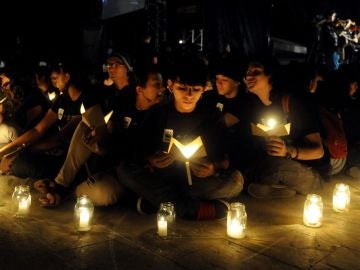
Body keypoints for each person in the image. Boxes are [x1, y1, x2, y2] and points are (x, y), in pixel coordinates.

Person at [116, 54, 244, 220]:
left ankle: (158, 204)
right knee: (124, 170)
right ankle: (192, 209)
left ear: (204, 88)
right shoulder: (157, 113)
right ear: (170, 85)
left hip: (194, 181)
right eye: (182, 88)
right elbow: (139, 149)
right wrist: (150, 160)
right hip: (163, 176)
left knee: (235, 181)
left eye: (196, 90)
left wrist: (214, 167)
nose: (189, 95)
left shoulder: (211, 116)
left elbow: (225, 156)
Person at [33, 65, 165, 207]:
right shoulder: (122, 106)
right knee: (87, 122)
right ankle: (61, 186)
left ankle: (66, 189)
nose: (162, 89)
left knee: (106, 191)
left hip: (132, 173)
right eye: (157, 85)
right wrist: (101, 144)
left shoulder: (162, 113)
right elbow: (114, 142)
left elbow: (142, 150)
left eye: (162, 85)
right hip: (111, 168)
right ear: (139, 90)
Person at [240, 56, 324, 199]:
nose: (249, 76)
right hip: (271, 163)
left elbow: (319, 151)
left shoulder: (291, 103)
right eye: (247, 72)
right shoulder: (254, 106)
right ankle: (281, 189)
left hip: (308, 170)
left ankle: (276, 186)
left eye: (256, 72)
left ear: (270, 75)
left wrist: (287, 151)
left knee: (274, 169)